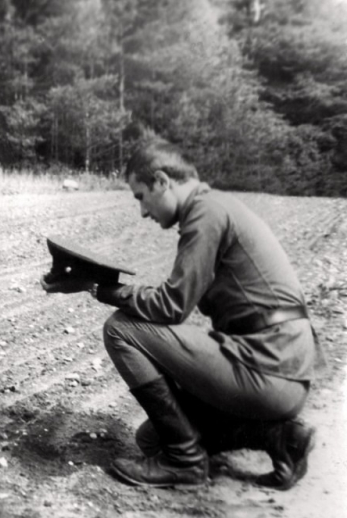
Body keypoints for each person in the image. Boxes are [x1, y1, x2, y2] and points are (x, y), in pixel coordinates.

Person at [51, 140, 320, 490]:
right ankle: (279, 437)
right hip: (282, 373)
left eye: (140, 196)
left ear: (162, 181)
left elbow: (170, 307)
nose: (144, 212)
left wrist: (101, 290)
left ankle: (186, 463)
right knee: (152, 439)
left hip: (268, 372)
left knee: (121, 330)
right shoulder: (218, 205)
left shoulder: (205, 212)